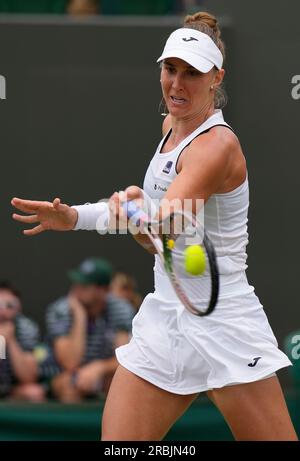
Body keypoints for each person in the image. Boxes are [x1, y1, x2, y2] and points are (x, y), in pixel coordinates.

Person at [11, 11, 298, 440]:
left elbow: (163, 226)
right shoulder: (171, 126)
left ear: (216, 78)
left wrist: (137, 213)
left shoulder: (217, 146)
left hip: (224, 321)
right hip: (166, 315)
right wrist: (73, 217)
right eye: (170, 70)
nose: (177, 85)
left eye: (192, 74)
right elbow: (152, 217)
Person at [45, 258, 134, 402]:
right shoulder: (60, 310)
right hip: (64, 375)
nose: (77, 288)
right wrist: (79, 317)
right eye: (76, 282)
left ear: (103, 290)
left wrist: (99, 368)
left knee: (124, 382)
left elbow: (125, 357)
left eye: (85, 285)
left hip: (102, 374)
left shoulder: (120, 308)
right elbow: (70, 362)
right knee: (70, 385)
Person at [0, 281, 44, 402]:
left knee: (34, 393)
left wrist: (11, 340)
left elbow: (28, 377)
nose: (3, 312)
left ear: (18, 307)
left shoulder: (26, 327)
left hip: (13, 389)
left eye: (9, 305)